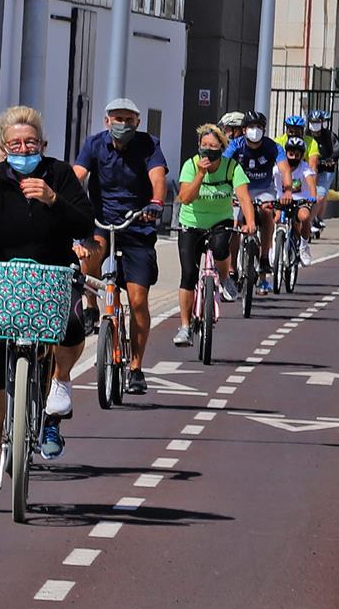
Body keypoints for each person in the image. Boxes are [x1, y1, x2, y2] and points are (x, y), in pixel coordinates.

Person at [0, 105, 94, 485]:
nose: (23, 149)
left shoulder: (59, 175)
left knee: (74, 327)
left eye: (30, 143)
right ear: (2, 148)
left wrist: (52, 199)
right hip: (5, 279)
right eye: (15, 143)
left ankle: (60, 379)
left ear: (43, 145)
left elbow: (84, 223)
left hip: (53, 274)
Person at [73, 97, 168, 393]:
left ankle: (136, 367)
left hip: (137, 224)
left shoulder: (149, 144)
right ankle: (91, 305)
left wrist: (155, 202)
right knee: (88, 255)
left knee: (138, 299)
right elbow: (78, 175)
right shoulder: (94, 144)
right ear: (106, 121)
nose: (123, 124)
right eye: (117, 118)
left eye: (129, 119)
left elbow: (158, 177)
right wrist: (68, 198)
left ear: (137, 122)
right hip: (102, 222)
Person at [173, 122, 253, 346]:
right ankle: (185, 327)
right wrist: (200, 173)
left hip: (220, 221)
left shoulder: (231, 167)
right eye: (204, 145)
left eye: (213, 146)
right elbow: (185, 198)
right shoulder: (191, 165)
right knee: (188, 274)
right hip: (192, 223)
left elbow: (244, 197)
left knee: (220, 247)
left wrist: (251, 223)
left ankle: (225, 277)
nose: (208, 149)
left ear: (221, 147)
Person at [225, 110, 283, 292]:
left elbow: (285, 170)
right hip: (239, 190)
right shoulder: (236, 145)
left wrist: (287, 191)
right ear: (243, 129)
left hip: (264, 190)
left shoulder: (272, 147)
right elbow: (223, 164)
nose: (255, 130)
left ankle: (264, 259)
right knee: (234, 224)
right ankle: (232, 269)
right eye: (251, 126)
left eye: (259, 127)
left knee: (266, 212)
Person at [273, 134, 317, 268]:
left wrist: (312, 197)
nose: (293, 157)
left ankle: (303, 246)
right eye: (291, 154)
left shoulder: (304, 168)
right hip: (281, 200)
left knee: (305, 216)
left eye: (297, 155)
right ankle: (273, 248)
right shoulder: (278, 168)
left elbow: (311, 183)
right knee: (275, 218)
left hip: (300, 200)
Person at [307, 108, 339, 222]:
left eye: (317, 123)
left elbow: (337, 150)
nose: (315, 125)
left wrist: (331, 159)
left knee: (320, 196)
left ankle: (311, 222)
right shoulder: (306, 135)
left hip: (326, 170)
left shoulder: (329, 135)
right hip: (309, 170)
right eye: (313, 122)